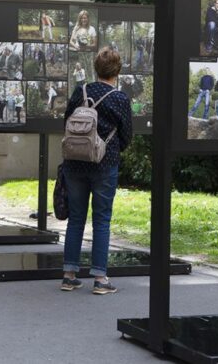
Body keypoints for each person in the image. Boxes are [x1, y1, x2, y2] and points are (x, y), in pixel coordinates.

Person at [61, 47, 132, 295]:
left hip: (74, 162)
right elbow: (126, 136)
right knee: (102, 219)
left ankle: (69, 275)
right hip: (104, 163)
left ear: (95, 68)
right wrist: (109, 147)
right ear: (117, 71)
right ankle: (100, 279)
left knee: (76, 218)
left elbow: (67, 122)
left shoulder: (80, 91)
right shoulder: (119, 98)